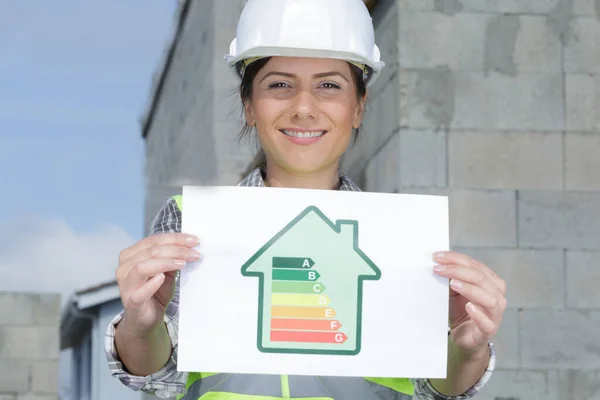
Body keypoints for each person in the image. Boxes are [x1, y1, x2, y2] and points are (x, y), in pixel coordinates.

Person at [106, 0, 507, 399]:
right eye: (279, 84)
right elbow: (157, 374)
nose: (303, 108)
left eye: (328, 85)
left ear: (359, 107)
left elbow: (432, 389)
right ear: (249, 105)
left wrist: (465, 349)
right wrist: (142, 325)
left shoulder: (401, 239)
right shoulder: (190, 222)